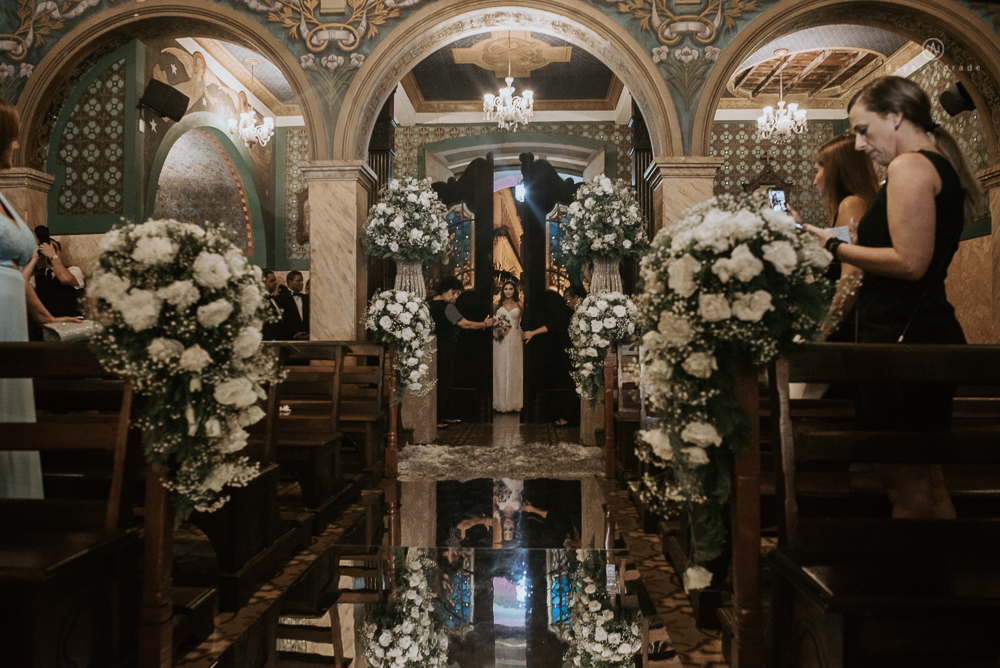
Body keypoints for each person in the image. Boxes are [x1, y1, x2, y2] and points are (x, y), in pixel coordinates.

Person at [805, 76, 983, 519]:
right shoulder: (932, 165)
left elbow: (909, 261)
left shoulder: (910, 167)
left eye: (864, 130)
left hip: (903, 343)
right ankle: (938, 577)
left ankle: (919, 581)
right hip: (913, 338)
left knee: (908, 486)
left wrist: (831, 246)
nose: (861, 145)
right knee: (923, 481)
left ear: (896, 116)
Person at [790, 134, 878, 342]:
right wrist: (800, 228)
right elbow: (835, 248)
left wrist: (825, 330)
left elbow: (851, 274)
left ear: (835, 170)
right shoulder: (854, 203)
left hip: (853, 324)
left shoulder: (850, 204)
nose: (815, 180)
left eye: (817, 170)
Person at [0, 100, 44, 498]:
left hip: (11, 312)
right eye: (10, 135)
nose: (15, 144)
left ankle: (16, 503)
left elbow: (16, 272)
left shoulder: (5, 199)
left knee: (12, 406)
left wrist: (47, 318)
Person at [430, 276, 495, 430]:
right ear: (444, 291)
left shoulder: (430, 305)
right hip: (445, 348)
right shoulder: (448, 307)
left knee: (443, 381)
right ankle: (437, 418)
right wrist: (485, 324)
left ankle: (446, 414)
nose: (456, 297)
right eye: (454, 293)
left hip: (433, 347)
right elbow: (465, 324)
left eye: (458, 294)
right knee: (445, 381)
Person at [522, 285, 585, 426]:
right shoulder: (568, 314)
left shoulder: (588, 312)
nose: (567, 304)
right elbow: (552, 325)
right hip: (573, 353)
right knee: (573, 383)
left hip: (584, 353)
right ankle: (569, 417)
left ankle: (572, 417)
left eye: (568, 301)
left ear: (577, 298)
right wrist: (532, 333)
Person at [492, 279, 523, 413]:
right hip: (501, 339)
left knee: (514, 367)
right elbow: (492, 320)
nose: (508, 291)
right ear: (502, 291)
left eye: (511, 289)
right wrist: (497, 329)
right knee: (500, 367)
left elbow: (523, 322)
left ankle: (515, 401)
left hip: (515, 337)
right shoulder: (497, 305)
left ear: (514, 290)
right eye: (506, 289)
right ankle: (500, 402)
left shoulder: (520, 304)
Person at [275, 270, 309, 340]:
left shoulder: (306, 298)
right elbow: (281, 321)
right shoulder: (281, 298)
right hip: (289, 339)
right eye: (298, 281)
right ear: (290, 282)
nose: (301, 283)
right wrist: (294, 335)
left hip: (307, 338)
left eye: (302, 281)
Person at [260, 269, 284, 341]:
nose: (275, 283)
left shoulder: (274, 299)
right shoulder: (260, 300)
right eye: (272, 281)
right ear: (263, 283)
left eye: (275, 280)